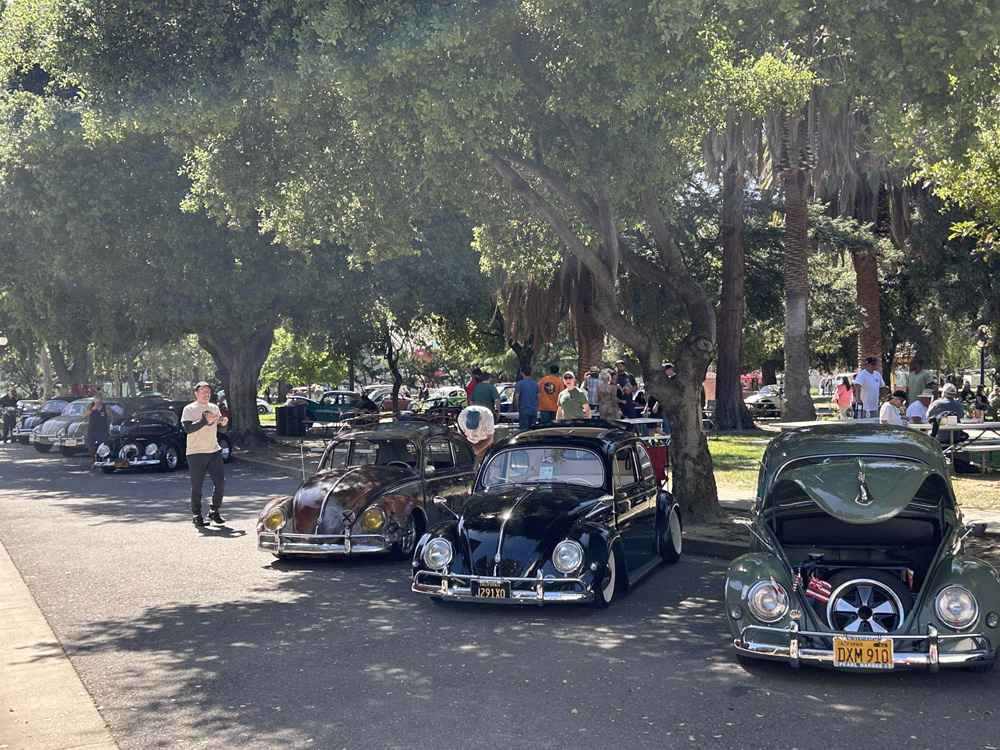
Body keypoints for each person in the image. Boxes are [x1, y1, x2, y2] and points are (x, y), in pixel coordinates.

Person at [182, 382, 229, 528]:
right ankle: (197, 515)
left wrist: (223, 424)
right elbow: (188, 429)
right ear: (196, 394)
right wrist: (205, 420)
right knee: (197, 486)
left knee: (220, 482)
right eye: (202, 392)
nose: (206, 394)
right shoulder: (189, 409)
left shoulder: (214, 407)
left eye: (208, 391)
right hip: (195, 452)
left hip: (214, 450)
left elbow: (221, 431)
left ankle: (214, 511)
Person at [82, 391, 115, 457]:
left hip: (102, 430)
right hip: (92, 430)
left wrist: (110, 425)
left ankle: (101, 458)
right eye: (96, 402)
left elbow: (111, 416)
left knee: (103, 447)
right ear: (94, 401)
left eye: (99, 402)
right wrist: (92, 409)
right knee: (91, 447)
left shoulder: (105, 406)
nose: (98, 404)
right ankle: (94, 457)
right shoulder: (90, 405)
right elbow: (85, 415)